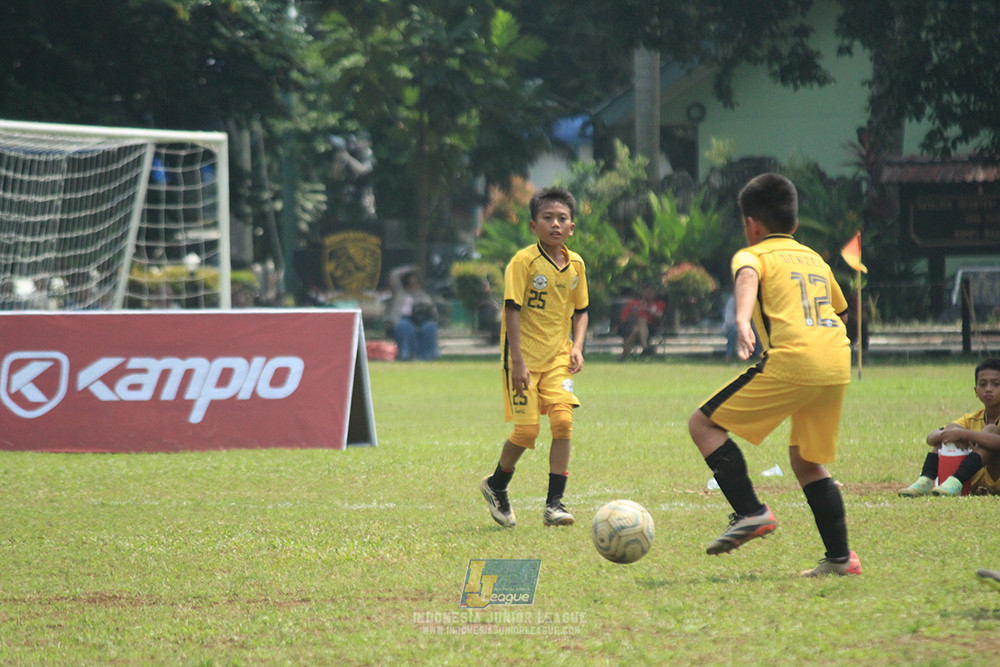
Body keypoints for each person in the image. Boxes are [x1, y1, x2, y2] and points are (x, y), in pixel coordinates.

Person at [687, 173, 861, 577]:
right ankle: (840, 559)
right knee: (806, 459)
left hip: (795, 358)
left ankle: (751, 512)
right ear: (794, 224)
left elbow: (747, 279)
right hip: (836, 359)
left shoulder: (754, 254)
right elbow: (841, 310)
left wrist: (743, 321)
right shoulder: (814, 257)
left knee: (703, 424)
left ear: (752, 224)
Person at [479, 186, 589, 528]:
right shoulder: (523, 262)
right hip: (523, 358)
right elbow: (512, 311)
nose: (555, 224)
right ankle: (497, 485)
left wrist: (577, 346)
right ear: (533, 225)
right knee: (526, 433)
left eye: (562, 219)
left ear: (571, 227)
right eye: (547, 218)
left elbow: (582, 310)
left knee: (563, 421)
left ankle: (555, 503)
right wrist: (518, 363)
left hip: (557, 357)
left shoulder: (576, 265)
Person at [898, 358, 1000, 497]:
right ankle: (926, 479)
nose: (988, 389)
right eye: (983, 384)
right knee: (951, 429)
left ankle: (957, 480)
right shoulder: (972, 419)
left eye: (995, 384)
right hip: (978, 485)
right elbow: (931, 438)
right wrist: (947, 434)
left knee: (990, 431)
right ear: (976, 391)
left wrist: (965, 434)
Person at [386, 265, 439, 361]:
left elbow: (433, 312)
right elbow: (394, 275)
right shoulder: (400, 293)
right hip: (402, 320)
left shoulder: (423, 295)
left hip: (421, 321)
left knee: (430, 327)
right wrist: (411, 268)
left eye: (416, 283)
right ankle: (406, 355)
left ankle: (426, 356)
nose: (414, 285)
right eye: (411, 283)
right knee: (405, 326)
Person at [618, 284, 665, 360]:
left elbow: (659, 316)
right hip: (630, 326)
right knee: (641, 321)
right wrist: (632, 316)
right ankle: (645, 347)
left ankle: (622, 356)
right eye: (647, 292)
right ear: (642, 293)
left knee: (637, 328)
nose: (649, 294)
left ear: (655, 294)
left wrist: (648, 310)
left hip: (651, 328)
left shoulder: (659, 304)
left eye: (652, 292)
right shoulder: (633, 303)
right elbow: (623, 318)